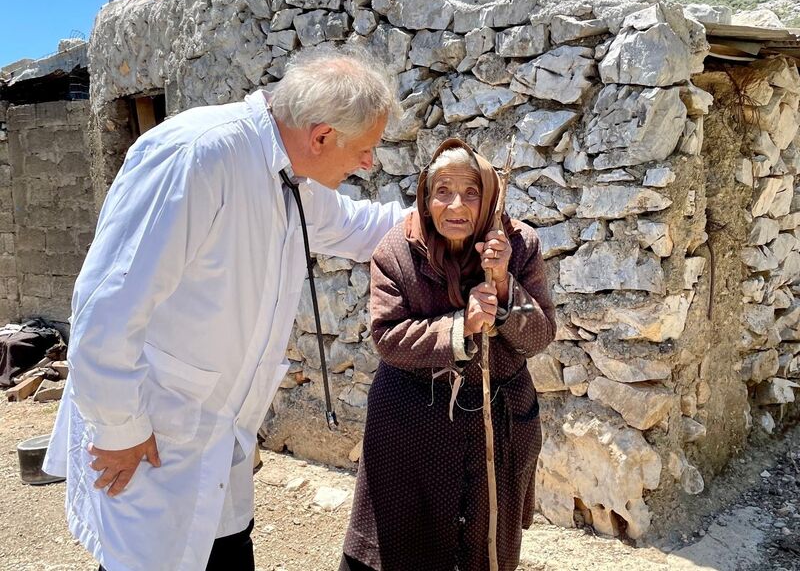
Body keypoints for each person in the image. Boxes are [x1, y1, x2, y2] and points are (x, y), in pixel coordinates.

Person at [43, 46, 408, 571]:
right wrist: (118, 429)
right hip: (150, 435)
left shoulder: (291, 173)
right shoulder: (199, 154)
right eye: (365, 149)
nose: (368, 164)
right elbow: (108, 304)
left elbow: (361, 227)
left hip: (215, 440)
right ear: (322, 135)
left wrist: (456, 215)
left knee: (224, 549)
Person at [340, 138, 557, 571]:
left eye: (471, 193)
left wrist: (504, 287)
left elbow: (539, 336)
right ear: (425, 196)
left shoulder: (519, 246)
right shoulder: (396, 251)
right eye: (442, 191)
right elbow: (387, 336)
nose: (456, 206)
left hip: (497, 423)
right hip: (410, 423)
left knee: (484, 548)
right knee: (399, 548)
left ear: (490, 197)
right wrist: (461, 326)